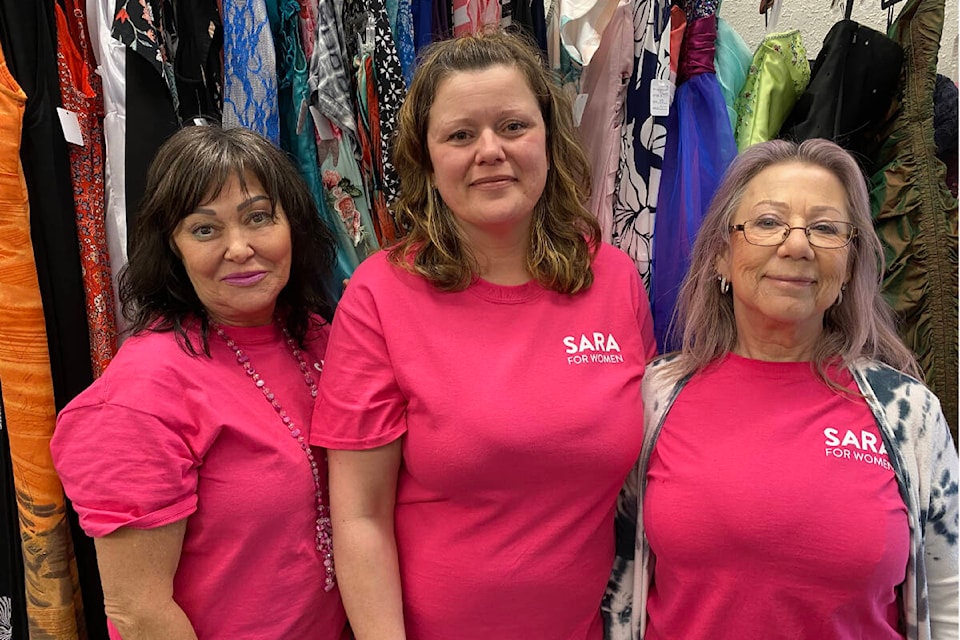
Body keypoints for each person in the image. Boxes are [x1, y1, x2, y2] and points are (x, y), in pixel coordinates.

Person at [311, 29, 658, 640]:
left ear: (549, 137)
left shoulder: (613, 279)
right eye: (460, 134)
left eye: (513, 126)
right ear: (427, 158)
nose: (490, 150)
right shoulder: (379, 296)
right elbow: (360, 516)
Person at [604, 138, 959, 640]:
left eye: (825, 228)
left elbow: (949, 607)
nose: (797, 245)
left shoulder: (910, 417)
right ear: (720, 257)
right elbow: (619, 584)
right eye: (768, 222)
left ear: (851, 265)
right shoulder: (655, 398)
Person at [50, 125, 349, 639]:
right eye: (205, 229)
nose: (240, 248)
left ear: (293, 227)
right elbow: (139, 612)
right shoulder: (141, 395)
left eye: (259, 218)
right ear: (174, 248)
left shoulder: (323, 338)